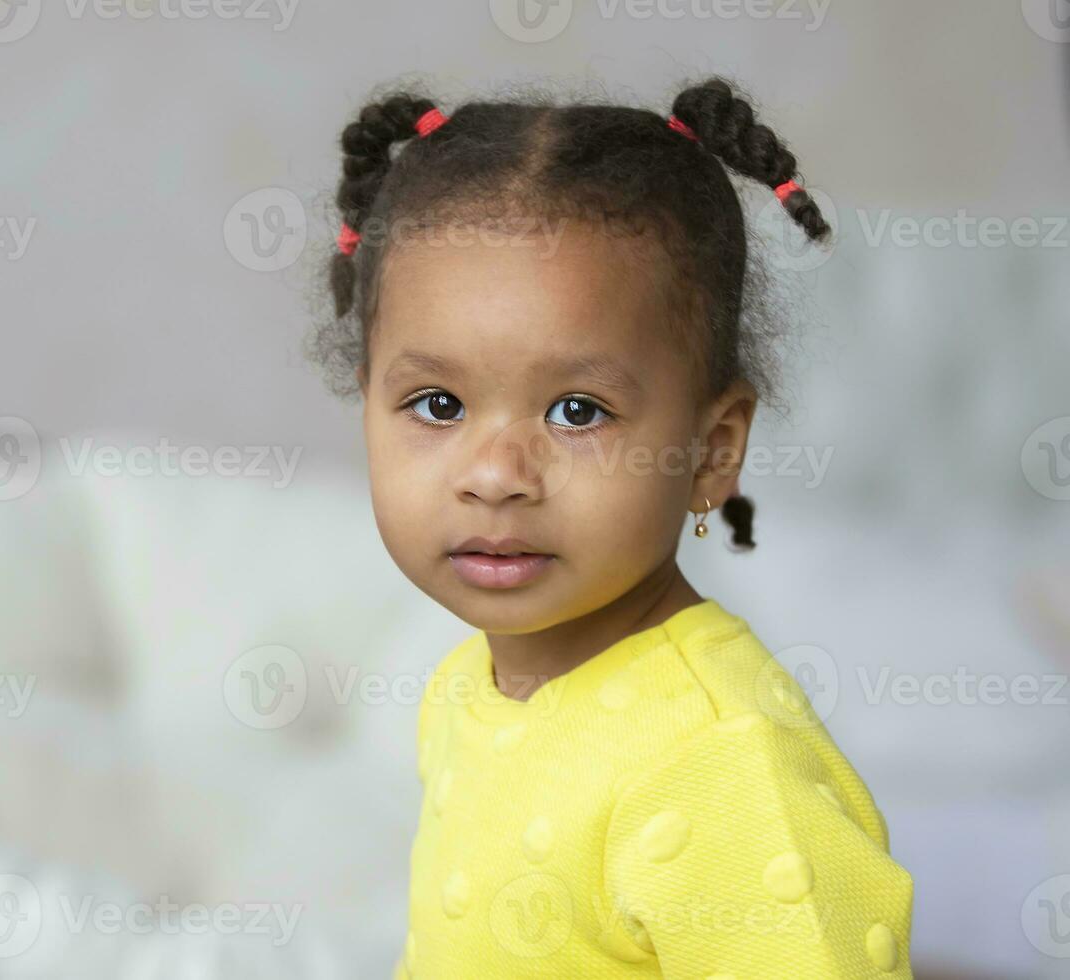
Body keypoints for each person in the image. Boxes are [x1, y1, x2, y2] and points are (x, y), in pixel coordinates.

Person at [310, 77, 916, 978]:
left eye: (577, 412)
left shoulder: (722, 767)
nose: (494, 476)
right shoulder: (461, 689)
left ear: (711, 451)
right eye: (437, 404)